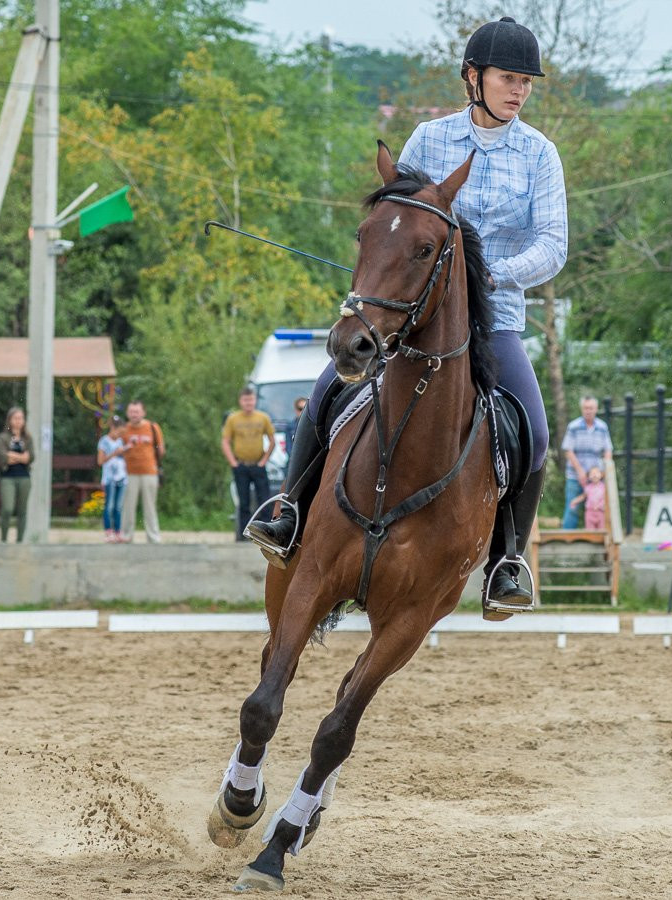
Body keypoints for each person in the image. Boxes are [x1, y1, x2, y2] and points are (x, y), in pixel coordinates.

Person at [248, 16, 565, 619]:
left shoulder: (540, 155)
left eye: (526, 81)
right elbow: (396, 217)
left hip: (492, 319)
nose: (519, 90)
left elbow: (554, 245)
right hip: (411, 317)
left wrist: (491, 274)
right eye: (508, 77)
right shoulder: (429, 139)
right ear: (473, 77)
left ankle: (507, 560)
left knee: (536, 431)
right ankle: (289, 509)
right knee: (326, 391)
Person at [221, 387, 276, 542]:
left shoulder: (262, 418)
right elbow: (225, 441)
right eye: (245, 400)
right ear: (241, 401)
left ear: (255, 400)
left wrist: (264, 460)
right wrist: (232, 462)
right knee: (243, 502)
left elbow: (272, 440)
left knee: (264, 500)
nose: (248, 403)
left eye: (251, 400)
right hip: (241, 466)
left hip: (258, 466)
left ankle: (267, 535)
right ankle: (244, 535)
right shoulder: (233, 419)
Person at [561, 396, 613, 529]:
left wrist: (603, 473)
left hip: (595, 478)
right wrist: (580, 472)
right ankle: (567, 541)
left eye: (591, 408)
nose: (588, 411)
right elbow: (568, 450)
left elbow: (608, 450)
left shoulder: (602, 427)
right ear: (581, 409)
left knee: (597, 509)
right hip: (575, 475)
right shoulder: (574, 426)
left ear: (596, 409)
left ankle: (597, 541)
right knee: (572, 507)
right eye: (585, 408)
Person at [119, 400, 164, 543]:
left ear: (143, 412)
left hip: (149, 472)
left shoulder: (152, 427)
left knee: (150, 506)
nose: (134, 415)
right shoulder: (124, 429)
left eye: (137, 412)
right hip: (129, 473)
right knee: (128, 507)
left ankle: (153, 537)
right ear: (127, 413)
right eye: (131, 412)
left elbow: (160, 449)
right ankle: (126, 536)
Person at [0, 406, 33, 543]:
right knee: (7, 508)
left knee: (22, 511)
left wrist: (12, 455)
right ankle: (3, 539)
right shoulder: (3, 437)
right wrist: (20, 456)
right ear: (10, 420)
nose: (18, 421)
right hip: (8, 477)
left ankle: (20, 540)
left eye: (21, 418)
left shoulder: (27, 438)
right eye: (15, 418)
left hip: (24, 476)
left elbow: (30, 457)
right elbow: (3, 457)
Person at [97, 415, 128, 542]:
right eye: (119, 432)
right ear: (112, 428)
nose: (120, 435)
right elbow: (100, 461)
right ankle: (108, 531)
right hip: (109, 479)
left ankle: (118, 532)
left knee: (118, 506)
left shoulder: (121, 441)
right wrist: (114, 453)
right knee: (109, 506)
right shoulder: (104, 441)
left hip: (122, 477)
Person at [569, 464, 607, 530]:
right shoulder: (588, 487)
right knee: (590, 529)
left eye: (597, 472)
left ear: (601, 475)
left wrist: (600, 505)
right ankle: (592, 539)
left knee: (602, 529)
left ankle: (600, 540)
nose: (594, 474)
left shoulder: (603, 487)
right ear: (589, 476)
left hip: (600, 512)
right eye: (592, 473)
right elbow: (583, 496)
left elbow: (605, 499)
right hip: (590, 512)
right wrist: (575, 501)